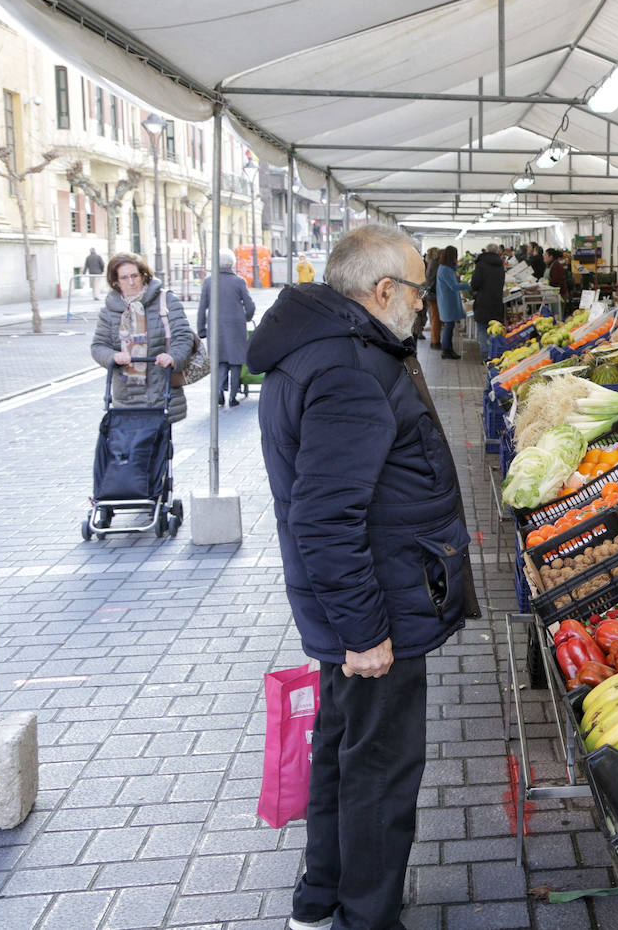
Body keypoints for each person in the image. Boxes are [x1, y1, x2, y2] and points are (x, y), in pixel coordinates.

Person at [245, 224, 475, 930]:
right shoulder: (348, 369)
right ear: (382, 291)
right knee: (379, 772)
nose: (421, 305)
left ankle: (321, 900)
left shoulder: (322, 349)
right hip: (379, 607)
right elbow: (325, 517)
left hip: (365, 600)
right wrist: (366, 630)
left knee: (343, 755)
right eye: (414, 291)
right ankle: (366, 918)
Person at [90, 252, 195, 422]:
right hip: (126, 397)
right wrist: (113, 356)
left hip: (161, 391)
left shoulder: (166, 301)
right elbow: (98, 346)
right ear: (115, 281)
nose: (130, 282)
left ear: (144, 276)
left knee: (158, 446)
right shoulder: (109, 311)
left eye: (134, 276)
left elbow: (183, 337)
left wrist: (173, 357)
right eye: (124, 278)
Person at [197, 249, 257, 408]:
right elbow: (250, 306)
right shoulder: (239, 282)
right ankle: (232, 396)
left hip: (215, 327)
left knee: (220, 361)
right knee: (236, 362)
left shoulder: (209, 282)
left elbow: (202, 307)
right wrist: (246, 317)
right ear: (232, 264)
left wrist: (201, 329)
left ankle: (219, 394)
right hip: (236, 326)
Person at [435, 245, 465, 359]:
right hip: (448, 301)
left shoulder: (445, 268)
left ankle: (448, 349)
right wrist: (469, 286)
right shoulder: (445, 269)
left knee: (449, 325)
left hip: (447, 300)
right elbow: (453, 286)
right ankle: (446, 350)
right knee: (449, 326)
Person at [470, 243, 506, 330]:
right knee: (496, 330)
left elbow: (474, 284)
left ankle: (484, 344)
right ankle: (494, 344)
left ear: (486, 251)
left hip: (483, 302)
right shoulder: (500, 265)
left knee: (482, 330)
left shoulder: (481, 264)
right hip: (497, 302)